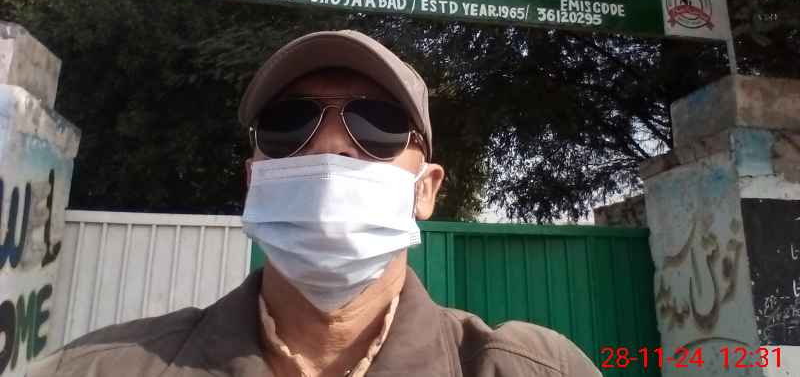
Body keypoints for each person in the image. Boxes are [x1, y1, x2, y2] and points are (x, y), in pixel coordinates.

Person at [29, 30, 601, 376]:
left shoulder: (532, 370)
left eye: (378, 124)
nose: (330, 147)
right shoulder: (99, 368)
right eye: (288, 123)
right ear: (253, 180)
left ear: (425, 189)